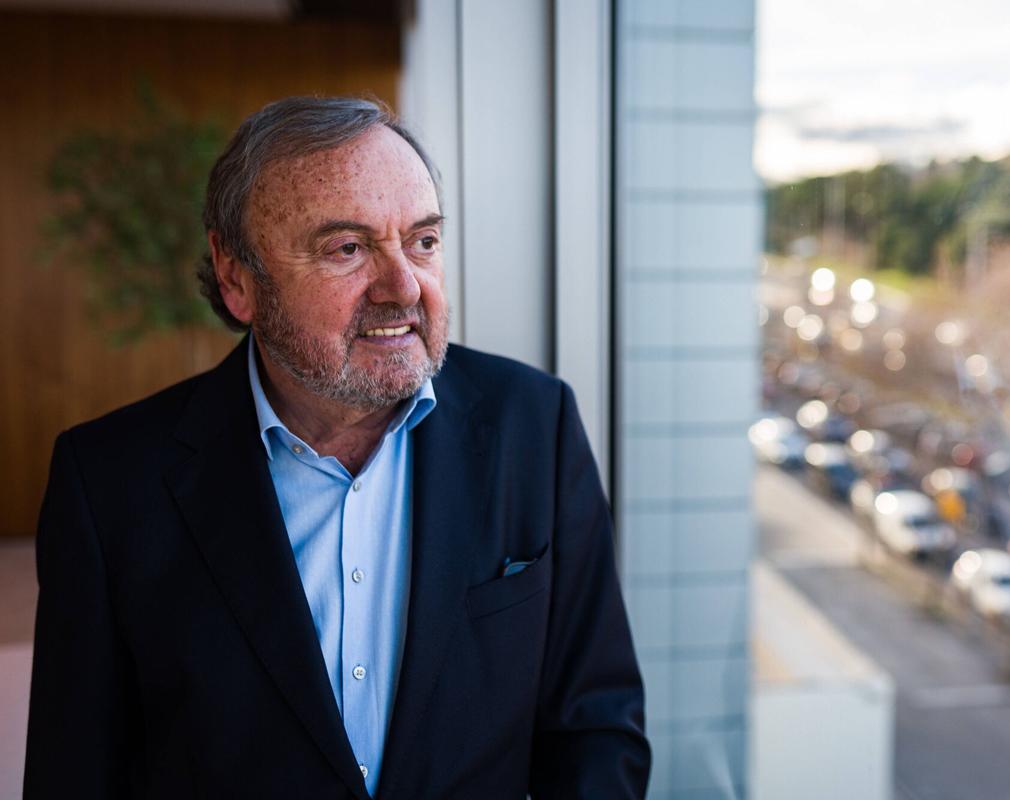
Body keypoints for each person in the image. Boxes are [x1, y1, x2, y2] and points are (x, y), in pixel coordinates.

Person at [25, 96, 650, 799]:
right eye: (347, 248)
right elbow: (74, 771)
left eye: (423, 242)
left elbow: (596, 727)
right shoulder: (109, 481)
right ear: (237, 279)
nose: (404, 287)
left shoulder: (535, 425)